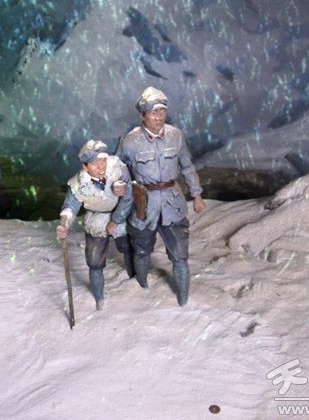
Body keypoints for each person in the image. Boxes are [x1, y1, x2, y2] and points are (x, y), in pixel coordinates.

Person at [115, 86, 206, 306]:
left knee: (180, 254)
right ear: (143, 115)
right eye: (153, 112)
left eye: (162, 111)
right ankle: (142, 289)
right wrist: (118, 186)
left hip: (172, 203)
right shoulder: (130, 141)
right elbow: (118, 169)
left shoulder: (176, 136)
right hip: (143, 204)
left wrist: (197, 194)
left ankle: (184, 301)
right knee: (142, 250)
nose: (159, 117)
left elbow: (187, 167)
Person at [55, 140, 133, 310]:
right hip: (96, 220)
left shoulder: (118, 168)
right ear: (85, 166)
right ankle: (99, 298)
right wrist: (65, 223)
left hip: (119, 216)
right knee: (95, 262)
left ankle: (133, 278)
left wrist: (116, 220)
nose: (101, 166)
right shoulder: (78, 184)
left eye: (103, 160)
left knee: (127, 247)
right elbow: (70, 206)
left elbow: (128, 198)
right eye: (94, 163)